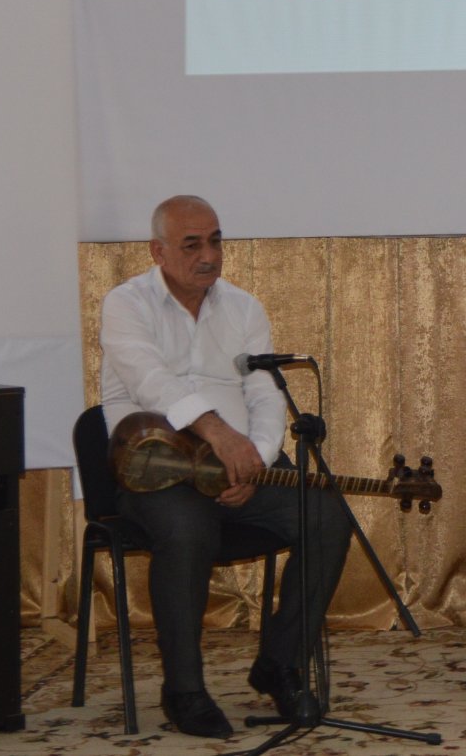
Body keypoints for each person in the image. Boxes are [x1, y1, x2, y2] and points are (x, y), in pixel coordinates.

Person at [99, 195, 351, 739]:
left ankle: (280, 664)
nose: (209, 255)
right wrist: (218, 435)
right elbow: (151, 382)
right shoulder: (126, 304)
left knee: (326, 515)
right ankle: (184, 690)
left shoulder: (244, 307)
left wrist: (254, 459)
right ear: (157, 251)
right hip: (155, 472)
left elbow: (263, 393)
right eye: (192, 245)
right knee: (188, 529)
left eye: (215, 241)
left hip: (241, 469)